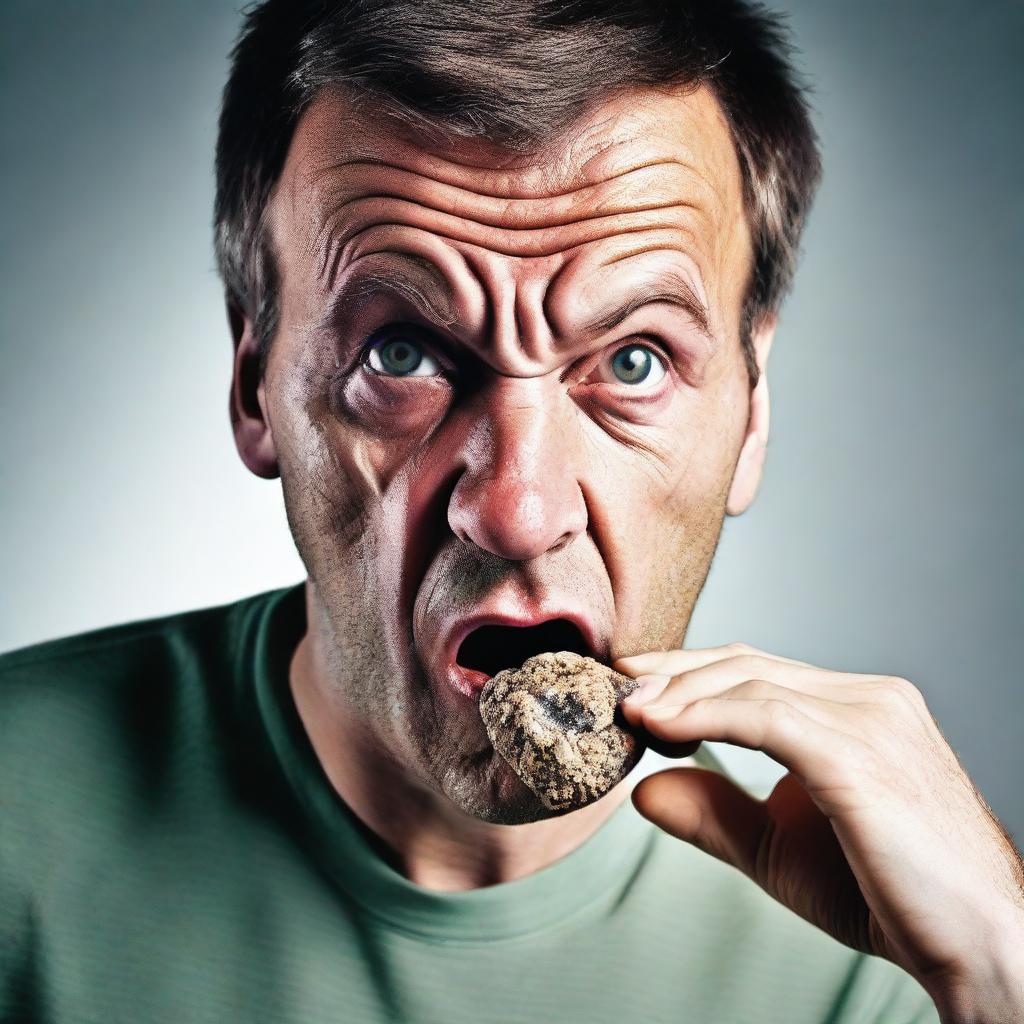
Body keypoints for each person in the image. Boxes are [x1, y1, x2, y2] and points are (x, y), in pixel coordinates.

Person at [2, 1, 1022, 1021]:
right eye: (399, 354)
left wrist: (999, 972)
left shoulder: (889, 954)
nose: (518, 511)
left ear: (750, 415)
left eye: (634, 360)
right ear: (253, 383)